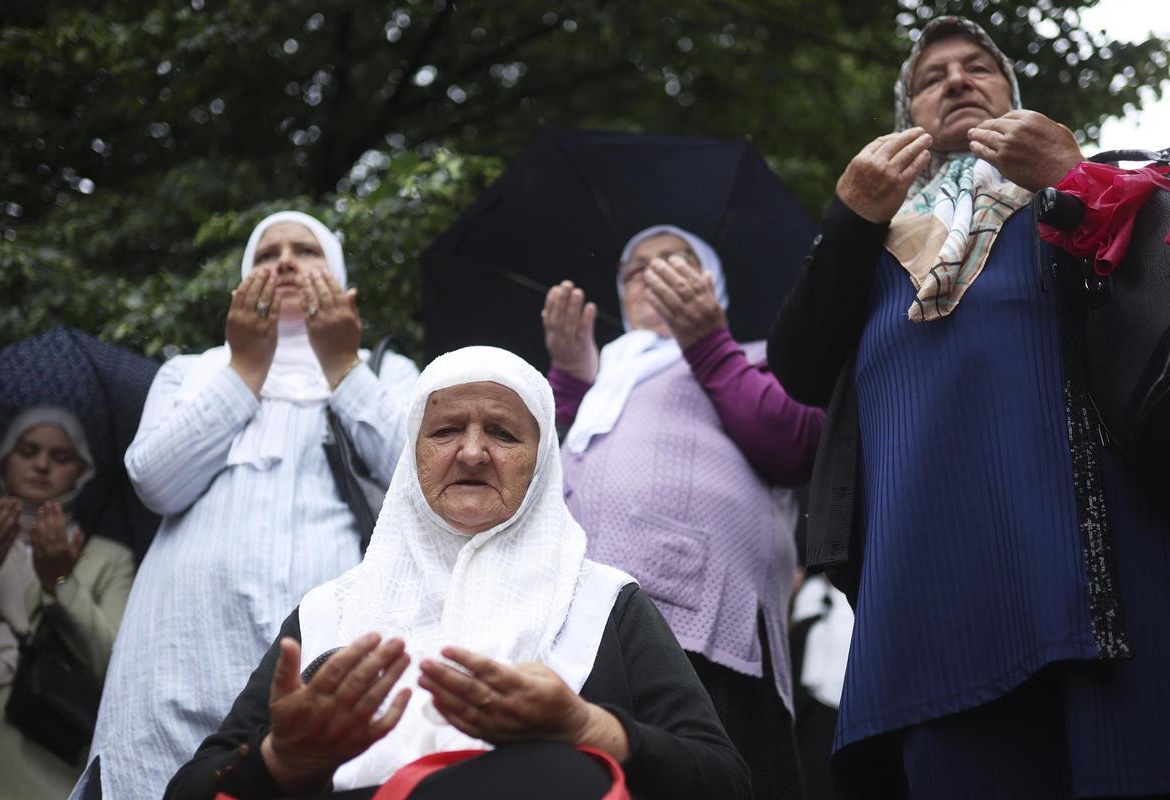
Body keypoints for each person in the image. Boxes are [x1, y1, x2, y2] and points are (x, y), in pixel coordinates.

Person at [766, 16, 1170, 797]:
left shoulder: (1081, 191)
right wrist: (848, 220)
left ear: (1016, 102)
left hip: (1092, 575)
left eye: (979, 67)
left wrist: (1071, 175)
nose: (956, 80)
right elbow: (799, 369)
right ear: (907, 117)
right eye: (931, 76)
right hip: (928, 590)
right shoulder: (868, 247)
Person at [164, 345, 751, 799]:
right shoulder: (329, 615)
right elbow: (189, 789)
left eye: (502, 432)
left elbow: (727, 781)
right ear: (412, 454)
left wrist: (590, 728)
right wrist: (280, 762)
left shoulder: (602, 602)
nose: (472, 453)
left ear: (542, 461)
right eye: (445, 430)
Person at [81, 211, 419, 799]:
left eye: (305, 250)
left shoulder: (388, 373)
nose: (284, 262)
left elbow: (418, 485)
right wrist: (244, 369)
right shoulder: (191, 372)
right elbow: (155, 483)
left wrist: (342, 367)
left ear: (340, 280)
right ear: (242, 281)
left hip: (320, 650)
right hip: (177, 657)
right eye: (266, 255)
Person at [541, 225, 824, 799]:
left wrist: (706, 343)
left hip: (702, 625)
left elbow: (794, 446)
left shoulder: (755, 357)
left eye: (675, 259)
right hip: (573, 621)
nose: (651, 271)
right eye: (634, 267)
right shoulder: (603, 376)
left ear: (712, 285)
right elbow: (539, 467)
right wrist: (570, 379)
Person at [0, 407, 134, 799]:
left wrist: (60, 582)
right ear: (3, 459)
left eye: (61, 458)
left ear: (83, 472)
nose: (41, 465)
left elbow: (115, 664)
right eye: (28, 451)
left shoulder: (108, 558)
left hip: (38, 766)